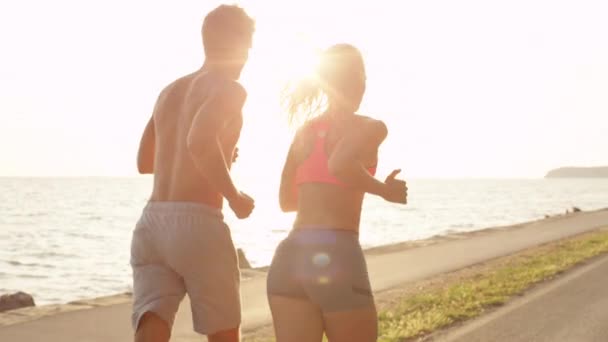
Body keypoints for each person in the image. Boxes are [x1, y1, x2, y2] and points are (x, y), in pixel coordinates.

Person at [130, 5, 255, 342]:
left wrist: (218, 157)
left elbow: (145, 161)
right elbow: (199, 141)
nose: (248, 57)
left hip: (152, 224)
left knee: (152, 322)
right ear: (239, 45)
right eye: (249, 46)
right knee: (224, 332)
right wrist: (235, 196)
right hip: (198, 222)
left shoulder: (169, 91)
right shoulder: (229, 88)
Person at [266, 44, 408, 342]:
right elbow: (339, 164)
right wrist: (383, 190)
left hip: (289, 256)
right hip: (336, 254)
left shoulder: (304, 132)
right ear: (360, 81)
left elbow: (286, 202)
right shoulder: (371, 127)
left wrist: (318, 197)